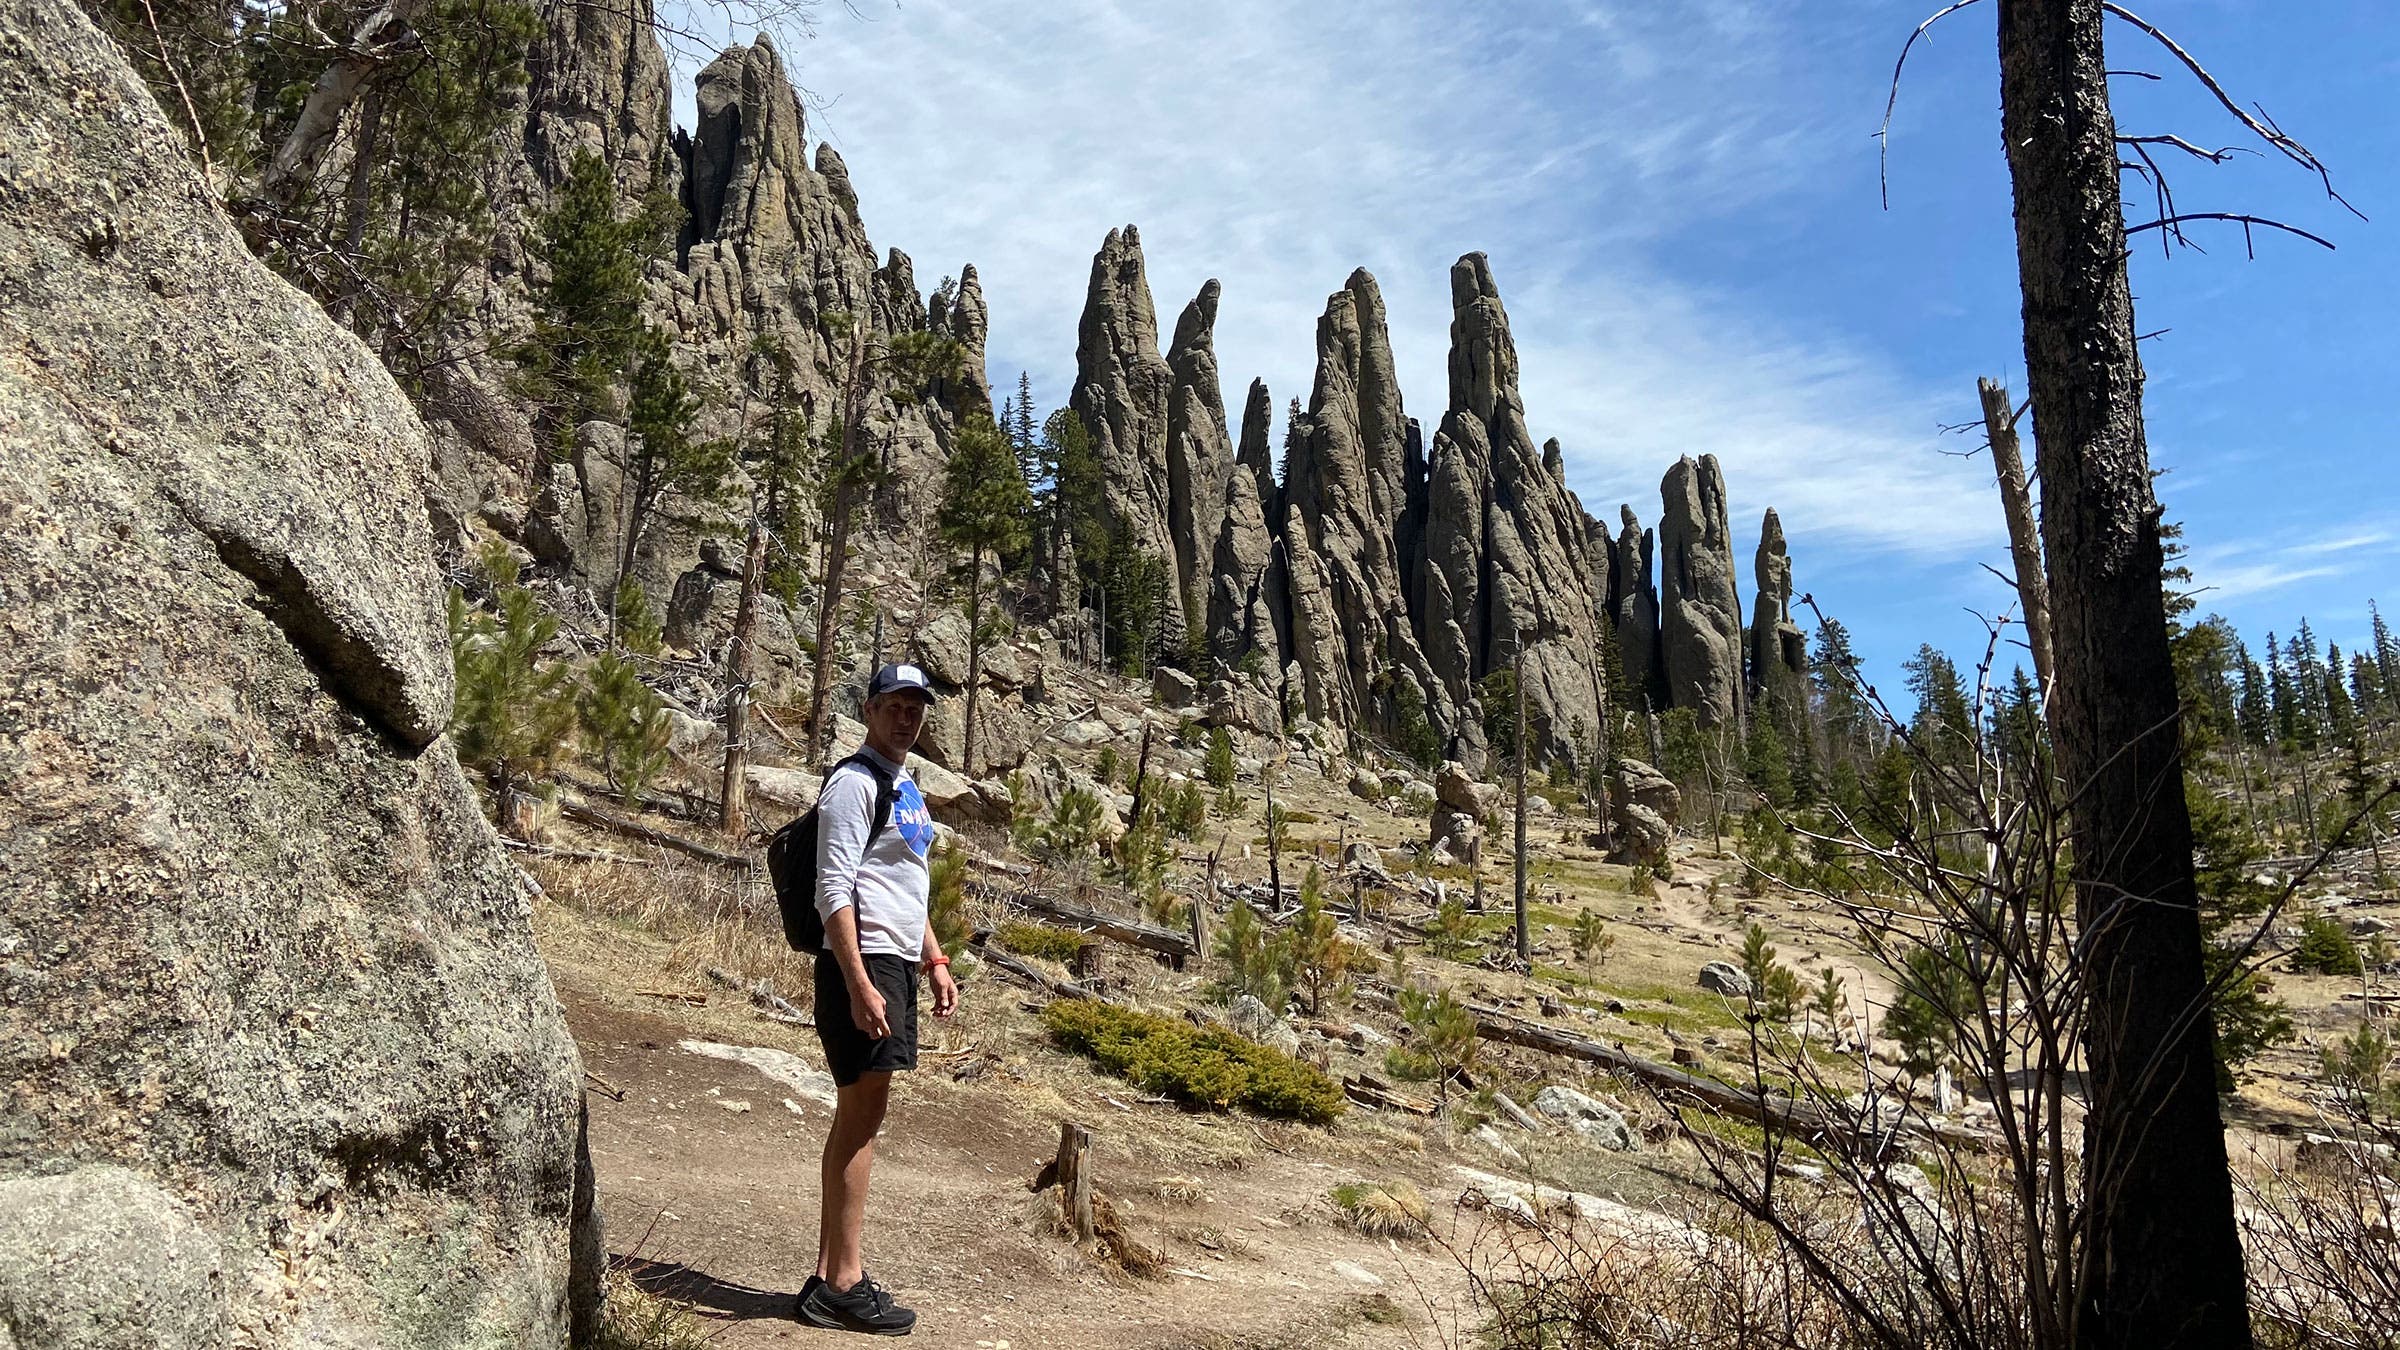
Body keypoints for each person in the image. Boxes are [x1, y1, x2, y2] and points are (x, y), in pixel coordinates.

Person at [795, 662, 958, 1335]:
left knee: (857, 1119)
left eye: (916, 706)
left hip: (894, 966)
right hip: (860, 969)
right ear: (868, 710)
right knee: (862, 1121)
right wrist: (860, 983)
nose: (906, 717)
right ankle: (843, 1283)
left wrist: (936, 957)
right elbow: (833, 892)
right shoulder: (853, 786)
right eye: (894, 704)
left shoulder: (906, 789)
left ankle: (831, 1272)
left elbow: (906, 884)